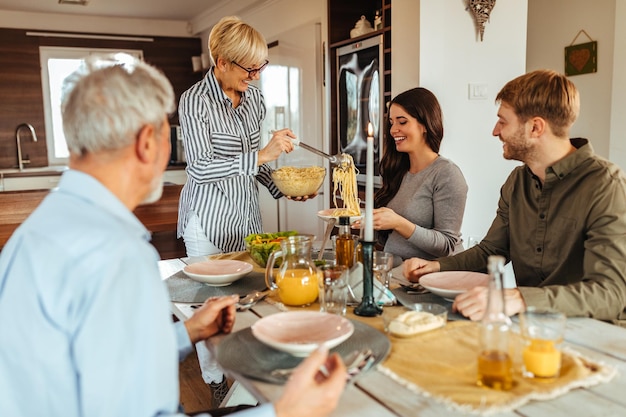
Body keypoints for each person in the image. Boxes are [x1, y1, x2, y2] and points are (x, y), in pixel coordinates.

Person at [0, 54, 346, 417]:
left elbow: (103, 356)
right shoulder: (113, 255)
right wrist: (284, 412)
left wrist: (187, 333)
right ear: (147, 142)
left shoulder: (41, 229)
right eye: (170, 135)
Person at [403, 69, 626, 324]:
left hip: (596, 338)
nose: (495, 131)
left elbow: (611, 293)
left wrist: (519, 299)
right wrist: (437, 266)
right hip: (531, 328)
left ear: (535, 127)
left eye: (503, 121)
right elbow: (492, 250)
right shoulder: (517, 183)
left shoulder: (605, 186)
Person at [177, 15, 314, 393]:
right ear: (221, 62)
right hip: (207, 221)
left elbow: (257, 165)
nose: (255, 76)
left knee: (250, 303)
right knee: (208, 310)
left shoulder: (254, 99)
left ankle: (249, 382)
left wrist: (283, 188)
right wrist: (263, 155)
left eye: (260, 67)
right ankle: (216, 380)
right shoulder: (194, 102)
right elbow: (201, 168)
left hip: (246, 220)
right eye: (248, 68)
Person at [369, 87, 468, 262]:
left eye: (402, 122)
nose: (393, 130)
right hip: (396, 271)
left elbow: (447, 245)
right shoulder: (398, 170)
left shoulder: (446, 174)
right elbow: (389, 237)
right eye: (391, 122)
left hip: (430, 279)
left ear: (424, 125)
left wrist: (398, 223)